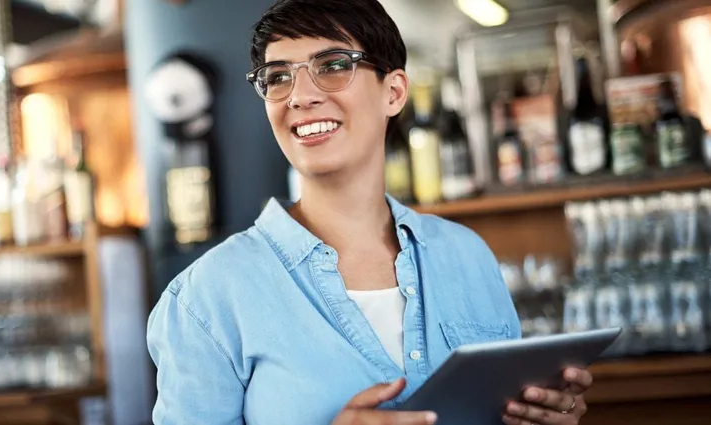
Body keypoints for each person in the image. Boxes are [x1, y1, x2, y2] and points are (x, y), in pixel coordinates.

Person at [146, 0, 594, 424]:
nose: (299, 97)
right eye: (278, 76)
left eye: (333, 65)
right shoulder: (205, 300)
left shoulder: (467, 256)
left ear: (394, 92)